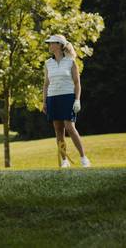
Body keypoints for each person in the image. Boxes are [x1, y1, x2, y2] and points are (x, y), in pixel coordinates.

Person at [43, 34, 91, 168]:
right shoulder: (48, 63)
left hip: (67, 97)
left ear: (59, 45)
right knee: (58, 131)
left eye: (51, 43)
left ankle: (83, 158)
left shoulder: (71, 62)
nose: (49, 45)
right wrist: (44, 102)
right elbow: (46, 84)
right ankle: (64, 161)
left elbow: (77, 83)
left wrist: (77, 100)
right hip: (53, 98)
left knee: (70, 127)